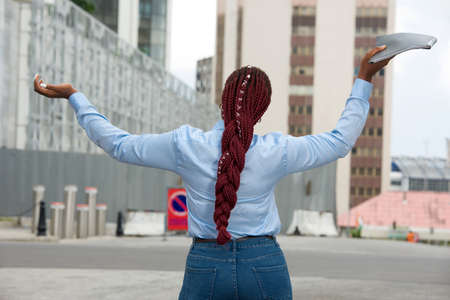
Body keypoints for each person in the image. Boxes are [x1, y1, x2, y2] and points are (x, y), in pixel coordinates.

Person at [33, 46, 391, 299]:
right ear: (262, 109)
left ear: (223, 101)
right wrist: (363, 79)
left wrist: (75, 97)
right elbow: (340, 141)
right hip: (264, 265)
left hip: (205, 265)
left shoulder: (184, 144)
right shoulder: (277, 151)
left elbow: (119, 145)